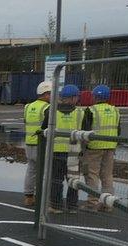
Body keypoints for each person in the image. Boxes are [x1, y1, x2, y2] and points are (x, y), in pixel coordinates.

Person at [41, 84, 84, 213]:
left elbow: (44, 130)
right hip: (74, 152)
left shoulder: (51, 111)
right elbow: (86, 133)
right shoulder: (80, 113)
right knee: (73, 180)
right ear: (74, 98)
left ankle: (55, 205)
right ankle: (72, 206)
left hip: (55, 150)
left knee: (56, 179)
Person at [82, 85, 120, 212]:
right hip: (110, 146)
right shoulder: (115, 110)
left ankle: (92, 202)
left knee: (92, 174)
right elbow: (118, 129)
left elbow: (85, 130)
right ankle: (108, 203)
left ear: (95, 96)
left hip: (94, 146)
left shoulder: (91, 110)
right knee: (107, 175)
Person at [22, 82, 52, 206]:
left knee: (31, 170)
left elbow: (25, 122)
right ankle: (44, 198)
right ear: (45, 94)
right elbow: (49, 125)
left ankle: (29, 196)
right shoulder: (47, 108)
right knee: (46, 172)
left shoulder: (28, 107)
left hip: (29, 143)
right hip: (42, 144)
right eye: (50, 94)